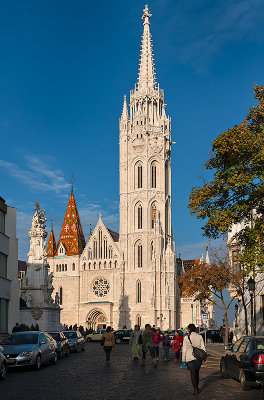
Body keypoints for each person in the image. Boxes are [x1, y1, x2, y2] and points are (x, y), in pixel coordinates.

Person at [181, 323, 206, 396]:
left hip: (189, 357)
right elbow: (203, 347)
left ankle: (195, 389)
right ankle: (197, 387)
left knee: (192, 374)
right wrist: (204, 357)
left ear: (189, 329)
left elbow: (184, 349)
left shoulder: (186, 338)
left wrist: (183, 359)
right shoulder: (200, 337)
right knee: (197, 372)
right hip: (198, 357)